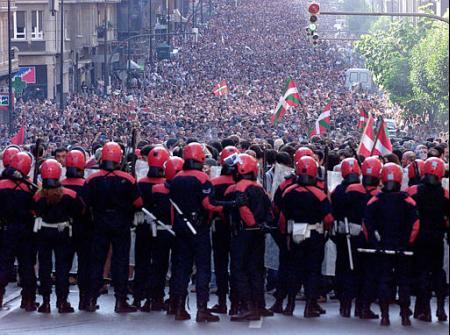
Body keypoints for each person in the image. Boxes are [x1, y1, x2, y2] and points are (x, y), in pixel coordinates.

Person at [169, 142, 226, 323]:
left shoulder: (176, 178)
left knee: (181, 269)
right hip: (199, 229)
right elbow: (208, 204)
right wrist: (225, 207)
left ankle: (178, 307)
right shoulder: (202, 178)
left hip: (180, 228)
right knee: (202, 269)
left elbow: (172, 208)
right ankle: (202, 309)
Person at [85, 142, 143, 313]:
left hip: (99, 223)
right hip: (121, 223)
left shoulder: (92, 179)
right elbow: (138, 203)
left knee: (97, 262)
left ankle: (91, 298)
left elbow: (84, 203)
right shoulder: (128, 179)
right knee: (121, 262)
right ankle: (120, 300)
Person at [363, 163, 420, 327]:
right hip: (403, 249)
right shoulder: (408, 201)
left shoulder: (375, 200)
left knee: (384, 280)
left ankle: (385, 316)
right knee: (403, 282)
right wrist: (408, 244)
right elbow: (415, 225)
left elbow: (367, 226)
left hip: (383, 247)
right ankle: (404, 316)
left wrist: (375, 243)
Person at [279, 156, 334, 318]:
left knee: (294, 269)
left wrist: (285, 235)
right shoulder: (320, 194)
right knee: (313, 270)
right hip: (315, 235)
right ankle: (310, 306)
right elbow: (329, 219)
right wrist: (326, 231)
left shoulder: (289, 191)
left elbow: (282, 218)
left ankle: (290, 304)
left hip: (295, 233)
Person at [227, 154, 274, 322]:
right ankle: (259, 305)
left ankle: (247, 306)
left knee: (240, 270)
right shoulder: (259, 187)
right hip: (258, 233)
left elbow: (243, 209)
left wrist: (251, 223)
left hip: (243, 233)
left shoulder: (239, 187)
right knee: (256, 269)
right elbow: (270, 209)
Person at [33, 159, 84, 313]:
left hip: (44, 232)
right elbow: (81, 211)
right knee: (62, 269)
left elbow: (34, 212)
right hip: (63, 232)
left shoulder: (38, 196)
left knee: (45, 268)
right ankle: (62, 301)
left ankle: (46, 302)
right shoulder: (70, 194)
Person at [407, 157, 449, 322]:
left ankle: (423, 308)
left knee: (421, 271)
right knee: (438, 271)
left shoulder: (413, 191)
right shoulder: (445, 195)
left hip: (419, 237)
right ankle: (440, 306)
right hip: (437, 237)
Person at [342, 156, 383, 320]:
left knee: (350, 272)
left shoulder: (350, 189)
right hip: (371, 238)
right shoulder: (379, 195)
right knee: (368, 274)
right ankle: (363, 307)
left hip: (351, 236)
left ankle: (345, 306)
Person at [0, 152, 38, 311]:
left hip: (6, 229)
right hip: (26, 231)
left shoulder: (1, 185)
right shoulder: (31, 187)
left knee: (3, 264)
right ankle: (28, 300)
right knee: (27, 266)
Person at [133, 146, 170, 311]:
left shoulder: (141, 183)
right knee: (159, 264)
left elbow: (136, 204)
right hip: (162, 229)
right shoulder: (167, 185)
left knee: (142, 263)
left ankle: (138, 296)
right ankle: (156, 296)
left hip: (143, 226)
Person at [150, 156, 184, 315]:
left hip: (162, 230)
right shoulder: (186, 188)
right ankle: (175, 300)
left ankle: (156, 298)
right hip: (179, 231)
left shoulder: (157, 189)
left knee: (159, 266)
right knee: (178, 267)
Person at [209, 146, 239, 315]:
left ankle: (221, 301)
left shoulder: (214, 182)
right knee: (237, 265)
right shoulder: (241, 183)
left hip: (219, 226)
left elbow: (209, 206)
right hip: (238, 228)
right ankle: (235, 303)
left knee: (220, 265)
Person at [60, 149, 91, 311]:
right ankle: (84, 300)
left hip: (63, 229)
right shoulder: (87, 185)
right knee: (85, 265)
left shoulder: (59, 185)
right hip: (84, 229)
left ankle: (62, 300)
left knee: (63, 266)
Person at [331, 157, 362, 317]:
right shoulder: (361, 190)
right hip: (358, 235)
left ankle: (344, 303)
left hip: (341, 233)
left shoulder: (337, 191)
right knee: (357, 269)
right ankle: (356, 304)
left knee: (342, 266)